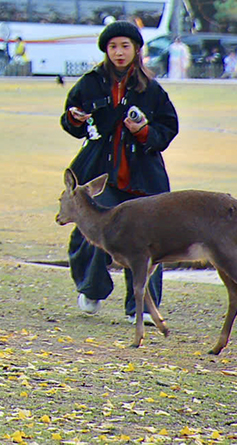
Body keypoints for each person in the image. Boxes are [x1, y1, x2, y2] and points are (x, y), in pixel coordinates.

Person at [61, 19, 179, 320]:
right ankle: (91, 288)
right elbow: (70, 122)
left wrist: (143, 131)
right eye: (113, 46)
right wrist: (74, 118)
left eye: (125, 46)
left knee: (148, 241)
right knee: (89, 232)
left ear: (136, 50)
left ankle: (141, 309)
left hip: (143, 178)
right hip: (100, 176)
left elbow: (168, 129)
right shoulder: (89, 82)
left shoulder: (151, 89)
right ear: (106, 50)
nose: (119, 52)